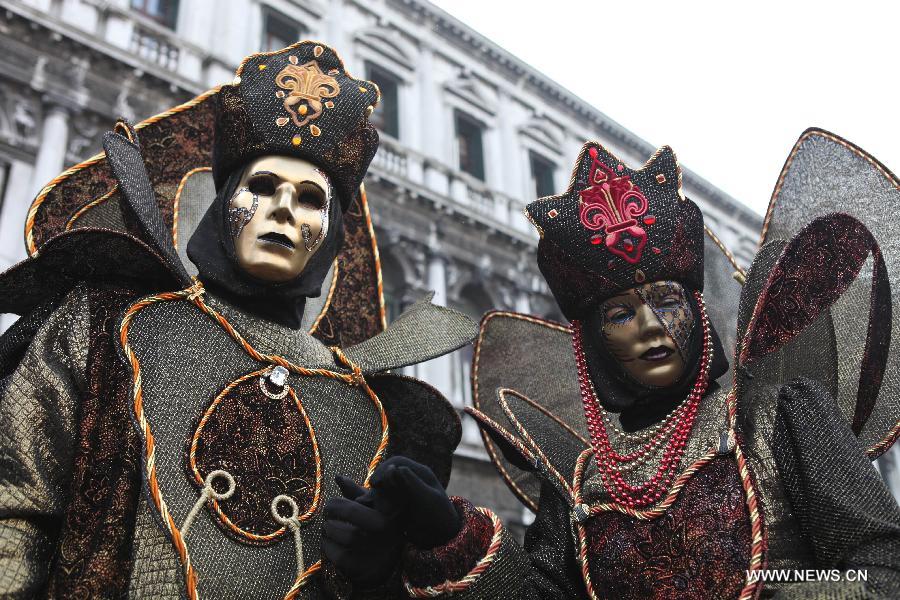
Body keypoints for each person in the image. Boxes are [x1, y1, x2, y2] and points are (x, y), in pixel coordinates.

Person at [0, 41, 474, 599]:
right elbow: (15, 510)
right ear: (222, 204)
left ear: (332, 239)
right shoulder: (105, 324)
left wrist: (375, 576)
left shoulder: (371, 411)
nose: (282, 210)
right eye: (263, 187)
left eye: (309, 199)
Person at [334, 136, 900, 599]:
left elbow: (882, 565)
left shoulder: (777, 418)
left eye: (668, 300)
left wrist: (782, 588)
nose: (651, 326)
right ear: (595, 342)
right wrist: (450, 535)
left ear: (697, 310)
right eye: (622, 313)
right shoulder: (579, 483)